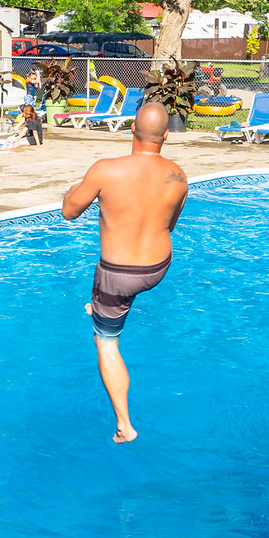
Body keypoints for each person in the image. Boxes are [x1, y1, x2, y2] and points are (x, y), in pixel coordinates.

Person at [61, 102, 188, 443]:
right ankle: (103, 305)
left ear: (132, 129)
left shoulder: (105, 170)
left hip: (118, 276)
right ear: (165, 136)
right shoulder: (178, 176)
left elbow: (69, 213)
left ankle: (124, 426)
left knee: (106, 343)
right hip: (158, 268)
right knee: (116, 293)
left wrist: (74, 190)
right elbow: (170, 225)